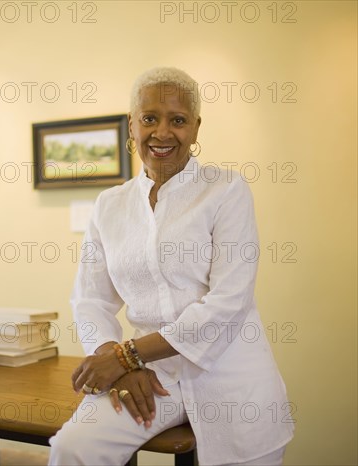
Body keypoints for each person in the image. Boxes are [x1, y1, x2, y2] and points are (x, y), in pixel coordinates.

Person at [48, 67, 294, 466]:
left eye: (177, 120)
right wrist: (117, 362)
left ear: (195, 129)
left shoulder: (226, 191)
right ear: (132, 124)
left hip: (231, 375)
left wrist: (127, 355)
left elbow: (228, 302)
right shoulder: (109, 205)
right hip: (152, 376)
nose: (162, 133)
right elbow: (90, 299)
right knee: (73, 448)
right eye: (149, 118)